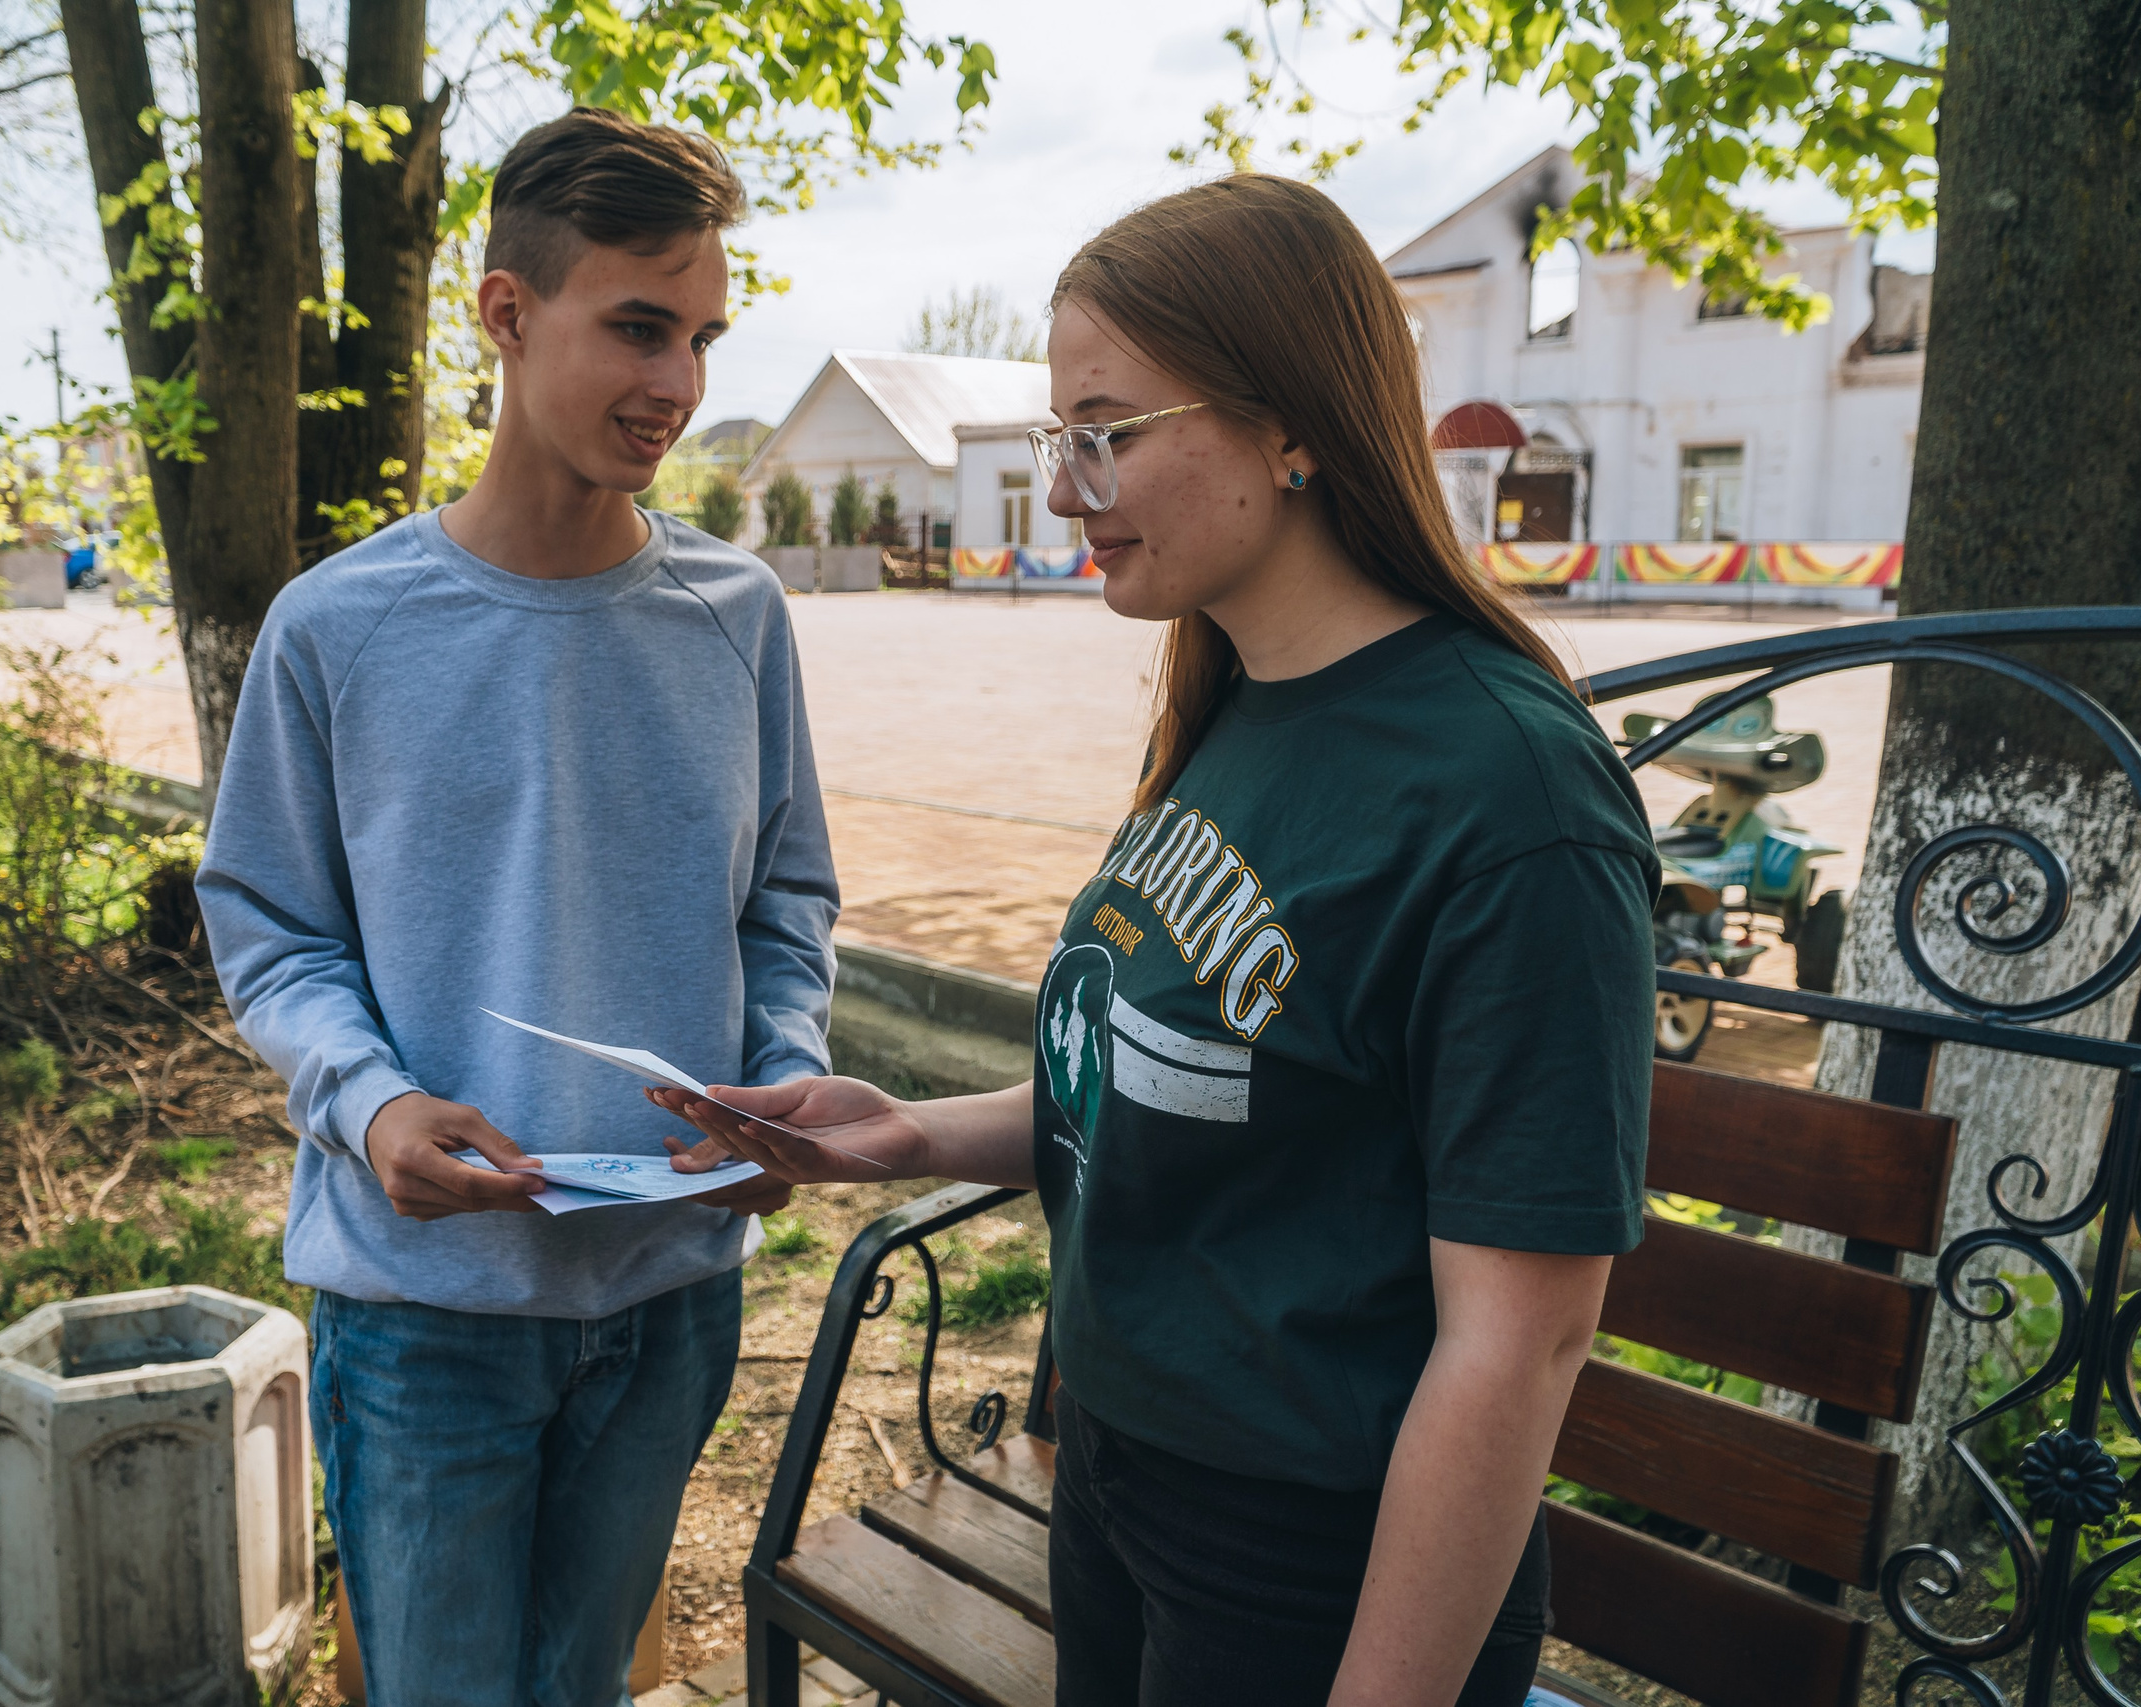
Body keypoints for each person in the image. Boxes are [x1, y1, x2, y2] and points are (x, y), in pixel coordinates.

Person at [656, 174, 1655, 1707]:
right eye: (1063, 438)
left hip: (1311, 1558)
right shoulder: (1234, 701)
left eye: (1107, 432)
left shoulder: (1509, 797)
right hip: (1123, 1481)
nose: (1065, 490)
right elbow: (1170, 1080)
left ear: (1294, 425)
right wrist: (901, 1132)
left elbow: (1521, 1340)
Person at [196, 108, 837, 1707]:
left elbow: (790, 898)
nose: (678, 384)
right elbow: (270, 920)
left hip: (674, 1289)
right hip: (426, 1315)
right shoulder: (336, 624)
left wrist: (782, 1072)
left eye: (700, 335)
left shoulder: (736, 615)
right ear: (502, 311)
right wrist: (372, 1100)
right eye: (636, 325)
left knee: (584, 1689)